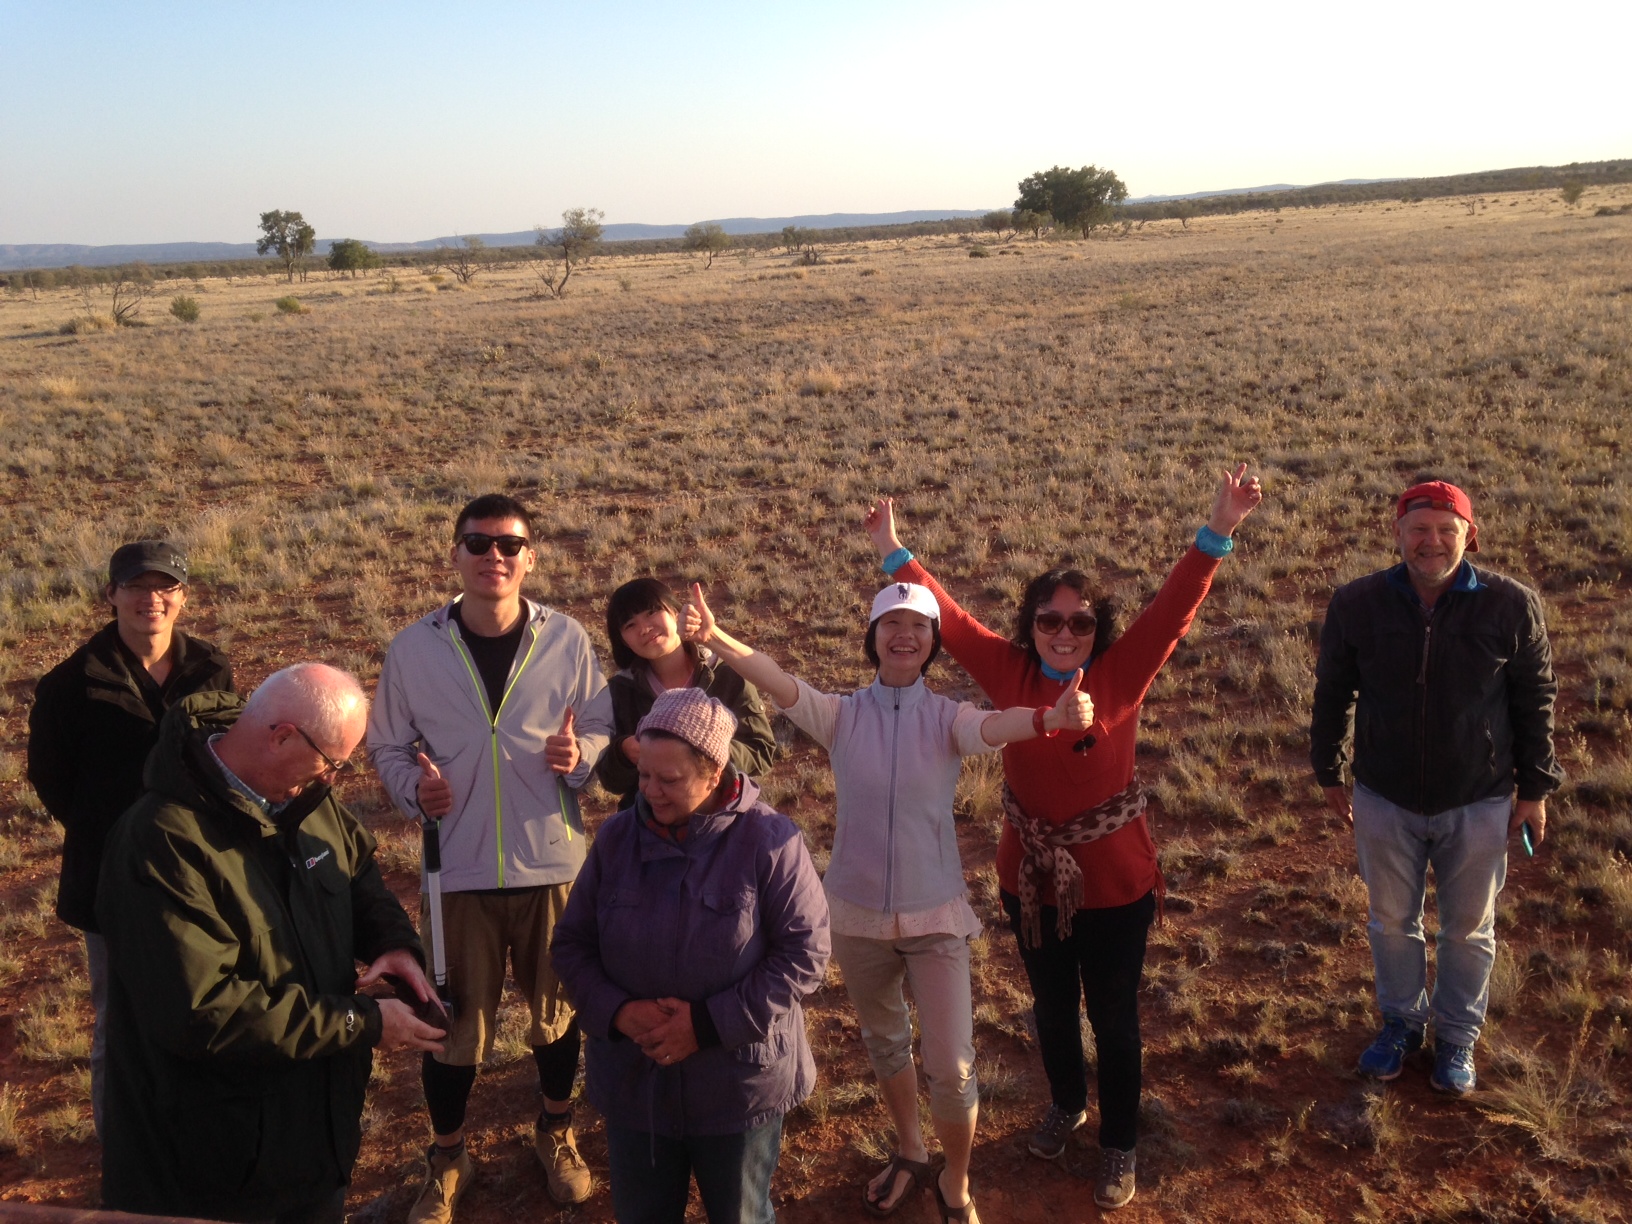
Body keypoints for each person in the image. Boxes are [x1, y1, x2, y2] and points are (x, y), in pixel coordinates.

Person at [864, 465, 1262, 1211]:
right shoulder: (1008, 670)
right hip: (1031, 877)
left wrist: (1219, 529)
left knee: (1113, 1014)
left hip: (1115, 883)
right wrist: (893, 551)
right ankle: (1065, 1105)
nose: (1066, 632)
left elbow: (1175, 609)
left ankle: (1119, 1144)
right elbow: (945, 616)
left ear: (1097, 631)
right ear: (1031, 626)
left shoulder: (1122, 673)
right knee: (1050, 1006)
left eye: (1081, 621)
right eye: (1050, 619)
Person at [685, 580, 1095, 1224]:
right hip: (854, 915)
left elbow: (996, 725)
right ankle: (910, 1148)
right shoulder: (842, 715)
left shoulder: (947, 717)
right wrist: (716, 640)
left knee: (953, 1067)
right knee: (884, 1043)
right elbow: (778, 680)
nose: (904, 635)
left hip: (936, 918)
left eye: (918, 627)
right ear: (873, 637)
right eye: (891, 624)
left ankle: (954, 1182)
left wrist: (1048, 719)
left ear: (932, 644)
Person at [95, 663, 445, 1224]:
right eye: (332, 763)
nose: (333, 780)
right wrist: (365, 1023)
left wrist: (394, 941)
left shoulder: (301, 796)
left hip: (311, 1145)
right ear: (282, 734)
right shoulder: (161, 843)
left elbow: (358, 875)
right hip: (210, 1170)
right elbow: (204, 1013)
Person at [368, 492, 614, 1217]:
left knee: (555, 1012)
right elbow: (385, 743)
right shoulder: (415, 647)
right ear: (455, 555)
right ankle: (448, 1158)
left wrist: (582, 756)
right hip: (457, 867)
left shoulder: (566, 639)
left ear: (530, 558)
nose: (494, 557)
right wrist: (414, 788)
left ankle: (555, 1131)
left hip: (553, 863)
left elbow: (600, 724)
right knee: (451, 1024)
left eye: (510, 545)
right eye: (478, 544)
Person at [1311, 479, 1562, 1095]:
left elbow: (1535, 700)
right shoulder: (1357, 603)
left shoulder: (1510, 604)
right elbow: (1333, 691)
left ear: (1468, 536)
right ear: (1396, 534)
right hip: (1384, 795)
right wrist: (1329, 770)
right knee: (1391, 920)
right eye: (1418, 529)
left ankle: (1456, 1037)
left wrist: (1534, 789)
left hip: (1478, 797)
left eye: (1445, 530)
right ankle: (1401, 1023)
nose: (1431, 542)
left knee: (1469, 927)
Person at [552, 686, 831, 1224]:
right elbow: (571, 945)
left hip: (737, 1089)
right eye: (644, 776)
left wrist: (704, 1025)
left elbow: (806, 952)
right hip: (637, 1084)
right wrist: (619, 1013)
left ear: (713, 772)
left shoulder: (769, 839)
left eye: (670, 780)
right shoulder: (615, 839)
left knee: (741, 1216)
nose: (651, 791)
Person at [26, 539, 235, 1138]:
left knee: (205, 1009)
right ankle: (125, 1157)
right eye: (138, 587)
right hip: (109, 882)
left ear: (183, 598)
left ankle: (194, 1145)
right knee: (117, 1025)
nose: (152, 599)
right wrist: (114, 837)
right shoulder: (69, 684)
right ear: (111, 594)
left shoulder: (211, 672)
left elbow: (225, 766)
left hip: (199, 877)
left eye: (165, 587)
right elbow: (52, 781)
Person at [594, 577, 778, 810]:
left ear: (675, 611)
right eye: (630, 625)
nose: (644, 628)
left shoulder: (726, 672)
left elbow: (761, 751)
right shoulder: (619, 691)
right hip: (650, 826)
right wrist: (623, 754)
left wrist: (706, 751)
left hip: (724, 817)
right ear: (622, 641)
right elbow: (611, 780)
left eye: (652, 612)